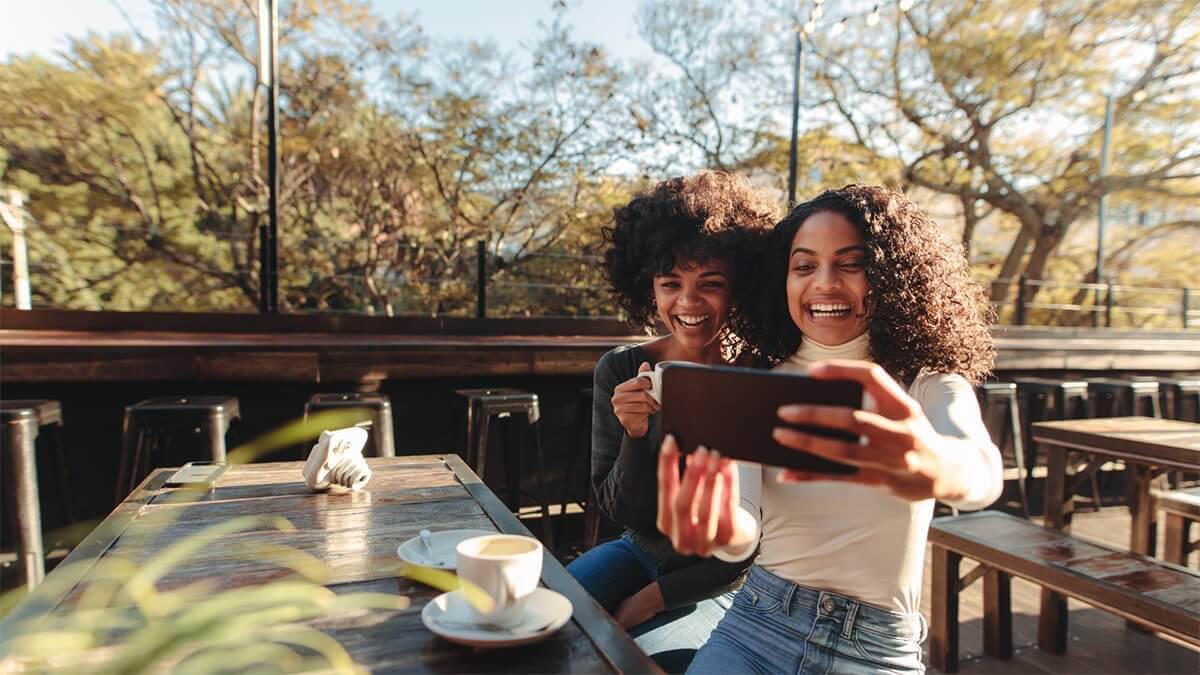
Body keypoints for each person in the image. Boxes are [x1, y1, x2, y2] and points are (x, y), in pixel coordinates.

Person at [656, 184, 1003, 674]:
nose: (824, 282)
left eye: (850, 263)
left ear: (888, 276)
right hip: (757, 626)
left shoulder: (927, 382)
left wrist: (943, 470)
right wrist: (719, 529)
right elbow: (743, 525)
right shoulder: (760, 387)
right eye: (804, 266)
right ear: (783, 281)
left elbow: (983, 472)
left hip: (878, 648)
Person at [567, 171, 779, 672]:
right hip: (638, 550)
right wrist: (638, 436)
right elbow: (624, 511)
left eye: (710, 284)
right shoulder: (621, 368)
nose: (687, 302)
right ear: (650, 289)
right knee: (543, 617)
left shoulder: (762, 376)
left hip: (726, 580)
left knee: (638, 662)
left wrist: (646, 602)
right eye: (670, 284)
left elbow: (754, 543)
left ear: (740, 289)